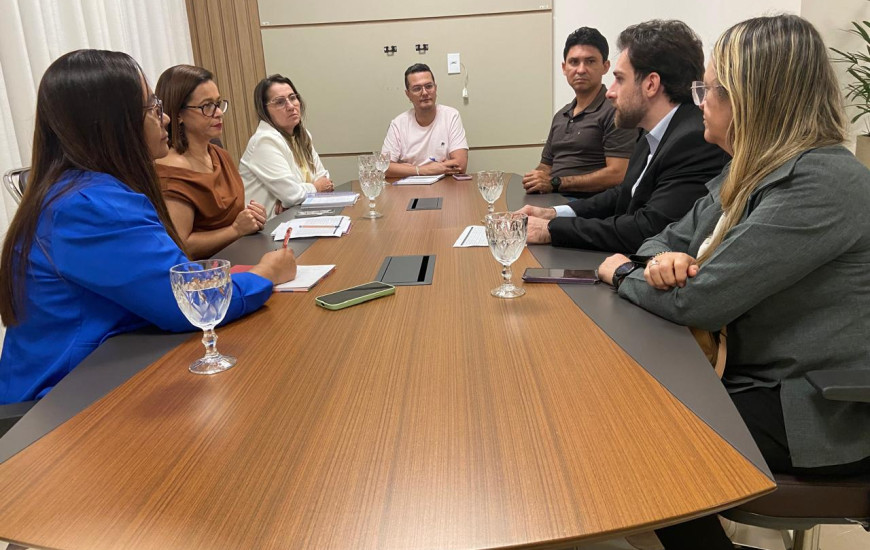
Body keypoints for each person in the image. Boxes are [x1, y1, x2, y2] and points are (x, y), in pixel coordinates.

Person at [597, 15, 870, 548]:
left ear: (753, 96)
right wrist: (659, 261)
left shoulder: (821, 182)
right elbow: (662, 237)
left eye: (710, 90)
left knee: (640, 438)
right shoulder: (750, 170)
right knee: (624, 402)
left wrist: (624, 271)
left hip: (821, 408)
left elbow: (700, 300)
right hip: (759, 377)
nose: (699, 101)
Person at [0, 50, 297, 406]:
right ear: (112, 123)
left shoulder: (79, 191)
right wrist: (265, 275)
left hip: (99, 373)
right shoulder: (91, 207)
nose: (165, 118)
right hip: (59, 404)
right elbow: (185, 302)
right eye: (153, 108)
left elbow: (163, 277)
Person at [519, 20, 728, 253]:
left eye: (620, 79)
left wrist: (550, 230)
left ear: (651, 84)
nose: (610, 92)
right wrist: (553, 213)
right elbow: (623, 194)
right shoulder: (652, 132)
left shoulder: (694, 140)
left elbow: (647, 229)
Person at [155, 65, 267, 259]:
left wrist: (252, 217)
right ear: (178, 113)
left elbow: (236, 218)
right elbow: (182, 244)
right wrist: (236, 230)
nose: (218, 113)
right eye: (206, 106)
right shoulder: (170, 171)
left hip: (240, 254)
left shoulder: (220, 155)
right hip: (204, 272)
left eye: (218, 103)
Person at [522, 27, 635, 197]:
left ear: (605, 67)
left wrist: (556, 183)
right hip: (551, 199)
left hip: (588, 205)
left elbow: (618, 174)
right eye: (574, 62)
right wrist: (535, 178)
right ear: (564, 68)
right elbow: (546, 165)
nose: (581, 70)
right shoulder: (561, 115)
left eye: (590, 61)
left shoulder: (616, 111)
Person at [240, 74, 334, 218]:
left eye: (292, 98)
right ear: (264, 111)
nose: (290, 106)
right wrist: (313, 189)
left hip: (297, 218)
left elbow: (324, 179)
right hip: (267, 227)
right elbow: (292, 195)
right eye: (280, 102)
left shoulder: (302, 135)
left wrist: (295, 199)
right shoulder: (264, 141)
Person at [381, 63, 468, 178]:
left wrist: (406, 169)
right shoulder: (398, 124)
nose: (425, 93)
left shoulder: (451, 116)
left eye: (429, 86)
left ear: (435, 88)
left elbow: (460, 165)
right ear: (408, 94)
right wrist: (424, 170)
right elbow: (384, 168)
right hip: (408, 187)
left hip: (445, 184)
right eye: (417, 89)